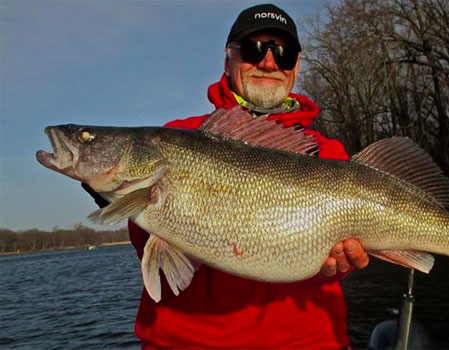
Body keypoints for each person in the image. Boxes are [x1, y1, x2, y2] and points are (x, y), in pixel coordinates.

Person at [85, 3, 369, 349]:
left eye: (284, 53)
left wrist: (342, 264)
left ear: (295, 65)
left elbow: (339, 263)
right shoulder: (180, 138)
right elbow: (155, 245)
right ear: (228, 60)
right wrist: (109, 188)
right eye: (253, 49)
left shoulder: (327, 154)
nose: (268, 62)